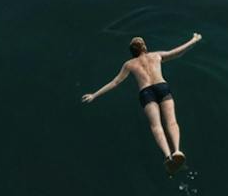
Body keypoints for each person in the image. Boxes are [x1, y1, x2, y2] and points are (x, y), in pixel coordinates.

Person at [82, 33, 202, 172]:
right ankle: (177, 150)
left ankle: (168, 156)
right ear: (144, 47)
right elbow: (176, 53)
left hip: (146, 92)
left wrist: (94, 95)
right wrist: (193, 40)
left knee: (156, 126)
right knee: (171, 122)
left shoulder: (129, 64)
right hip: (162, 87)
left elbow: (115, 82)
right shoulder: (155, 55)